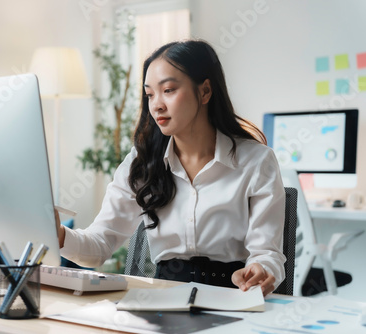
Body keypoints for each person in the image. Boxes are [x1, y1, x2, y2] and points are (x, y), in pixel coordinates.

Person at [56, 39, 285, 296]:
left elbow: (267, 252)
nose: (156, 105)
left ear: (205, 92)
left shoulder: (256, 161)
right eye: (150, 94)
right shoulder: (141, 164)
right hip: (164, 300)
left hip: (232, 295)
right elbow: (99, 245)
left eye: (169, 90)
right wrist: (59, 234)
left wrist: (260, 269)